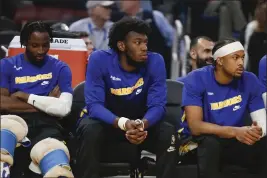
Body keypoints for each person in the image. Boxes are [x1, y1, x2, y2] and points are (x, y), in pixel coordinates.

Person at [75, 17, 177, 178]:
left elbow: (157, 105)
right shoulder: (99, 59)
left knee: (167, 131)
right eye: (138, 42)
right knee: (90, 129)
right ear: (121, 45)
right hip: (107, 123)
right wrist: (123, 123)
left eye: (145, 42)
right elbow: (94, 106)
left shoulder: (155, 60)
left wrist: (142, 124)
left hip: (139, 124)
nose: (144, 48)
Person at [179, 39, 267, 178]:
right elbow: (195, 126)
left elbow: (261, 123)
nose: (241, 63)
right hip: (195, 141)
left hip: (231, 139)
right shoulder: (197, 78)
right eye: (235, 58)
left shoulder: (250, 80)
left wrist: (256, 132)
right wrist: (235, 132)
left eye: (242, 57)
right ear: (219, 61)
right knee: (210, 144)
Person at [0, 21, 73, 178]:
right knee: (2, 144)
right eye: (34, 45)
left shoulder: (61, 68)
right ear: (25, 43)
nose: (41, 50)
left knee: (58, 164)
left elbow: (63, 108)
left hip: (46, 124)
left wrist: (25, 97)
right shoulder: (7, 65)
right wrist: (47, 102)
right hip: (13, 121)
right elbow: (2, 103)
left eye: (45, 45)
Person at [118, 0, 175, 78]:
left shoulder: (155, 16)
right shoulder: (118, 22)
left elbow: (174, 40)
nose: (121, 2)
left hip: (156, 72)